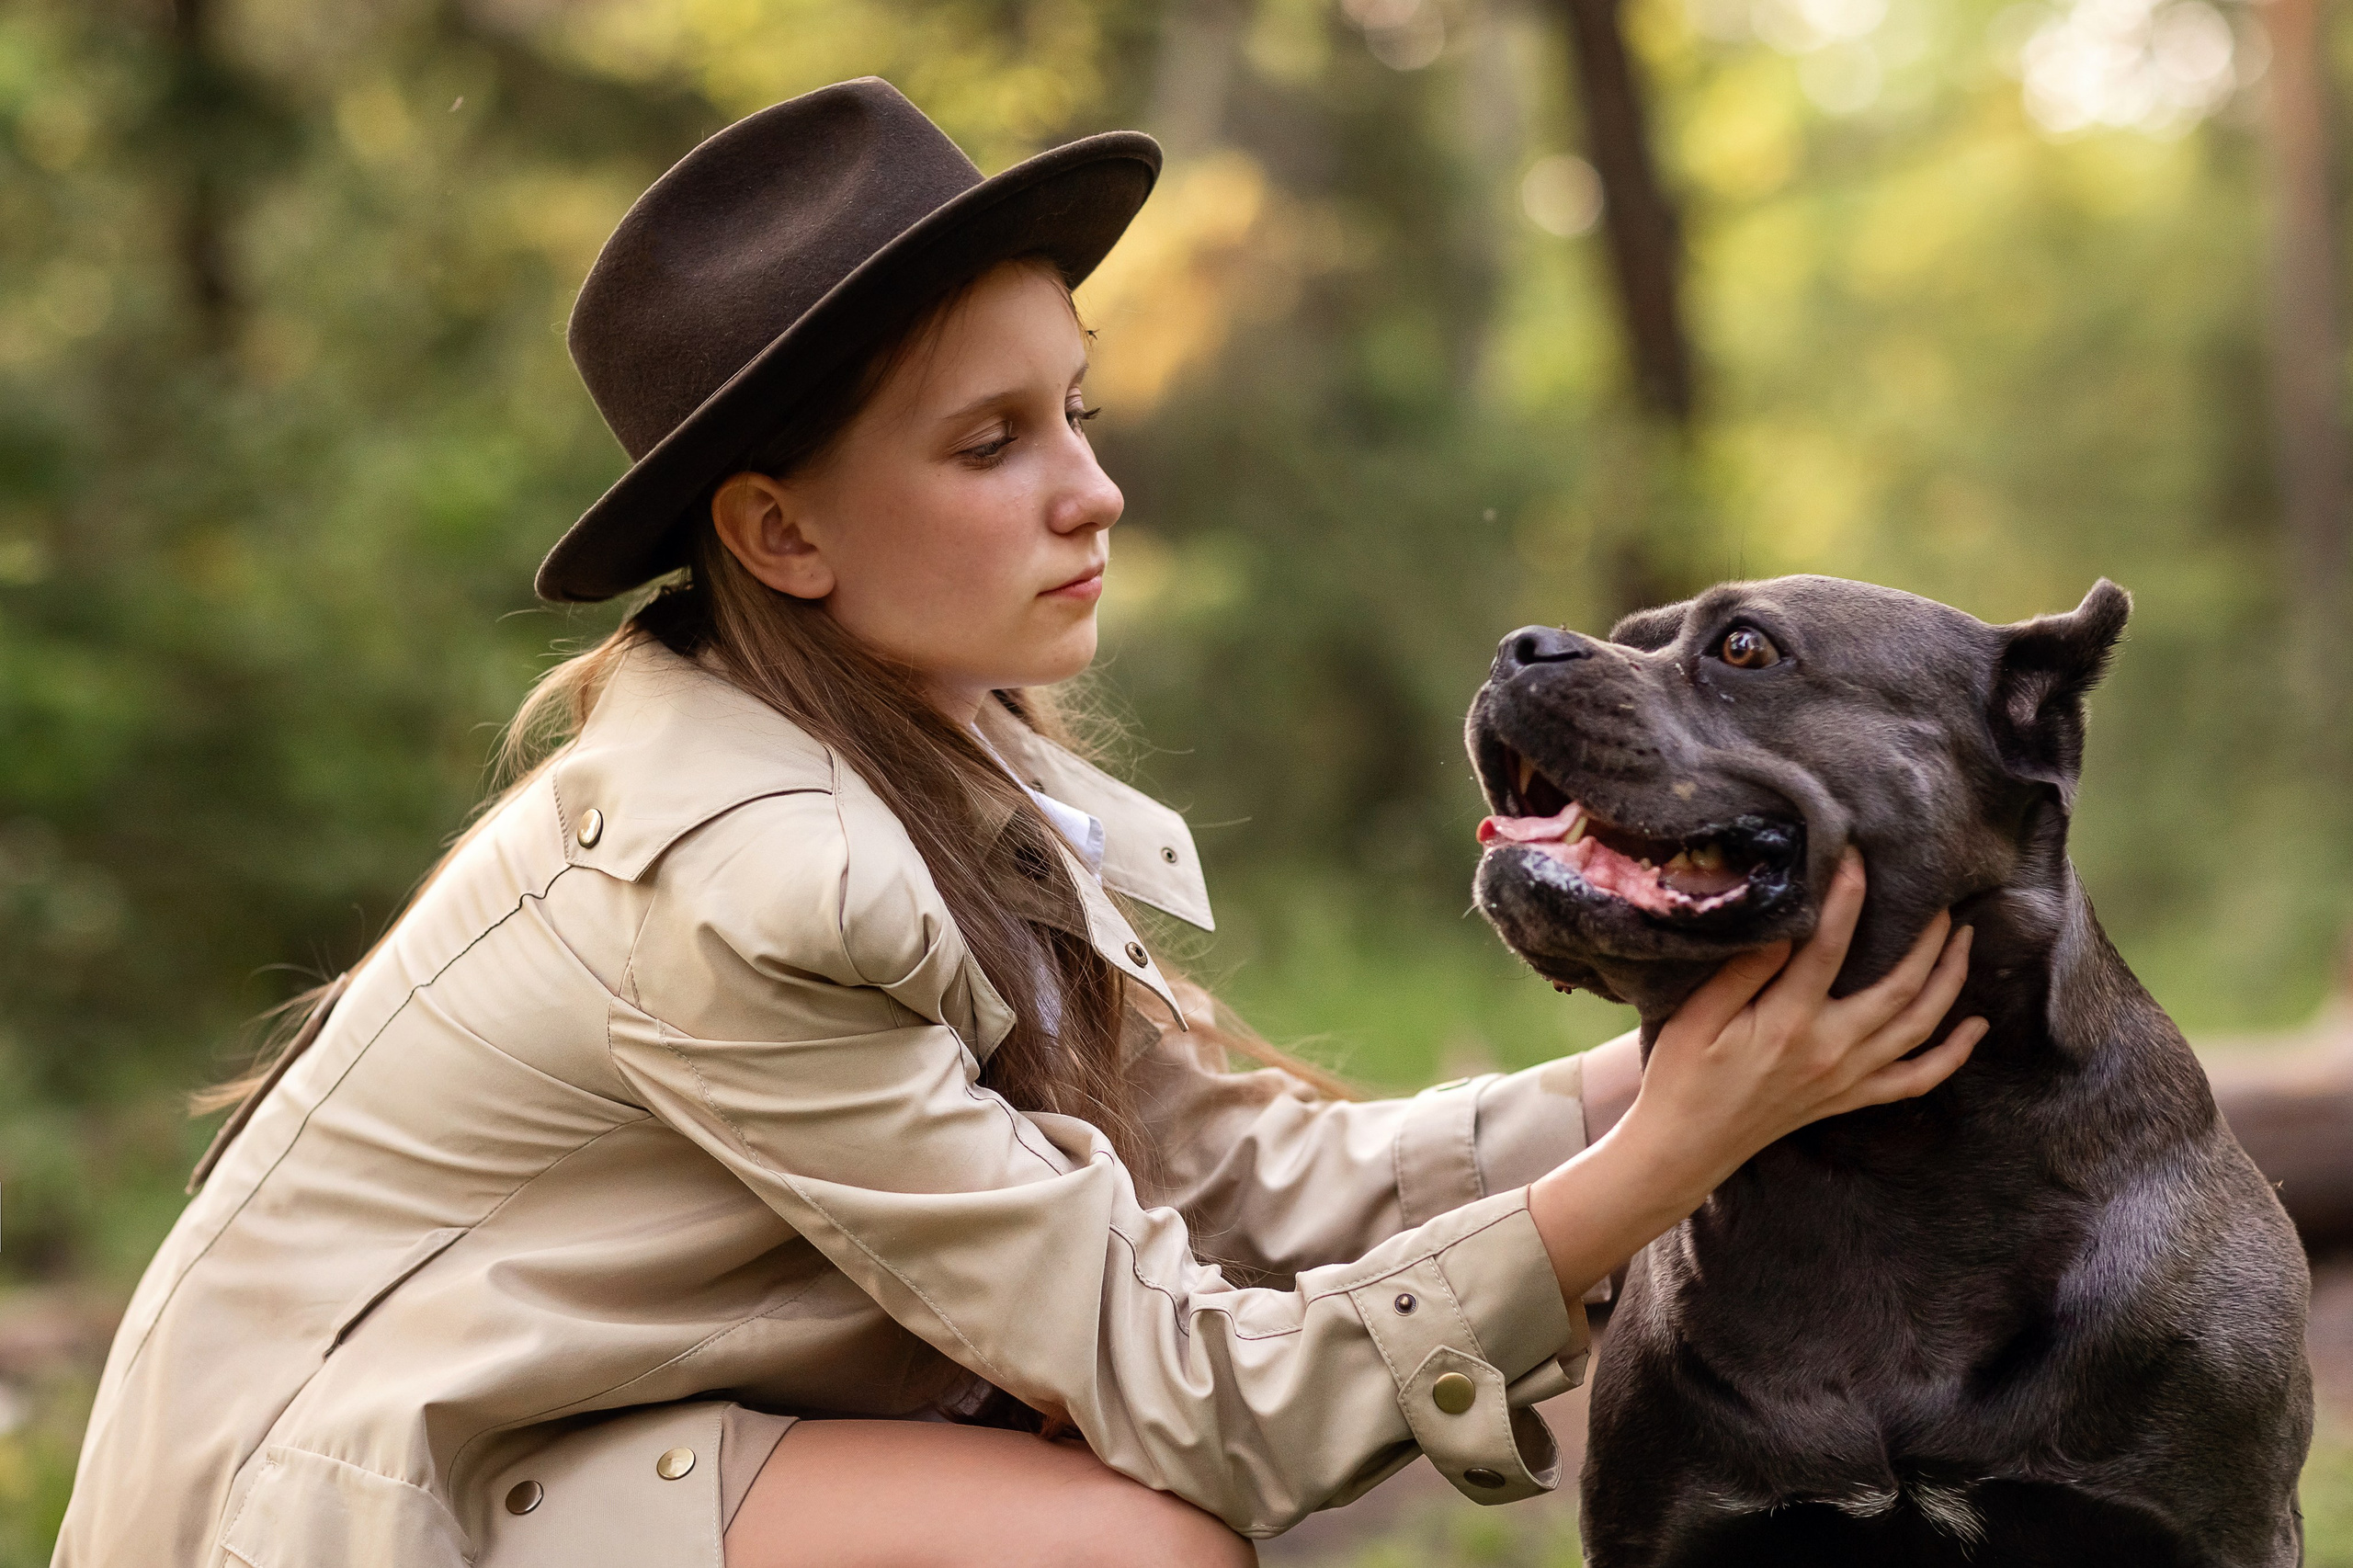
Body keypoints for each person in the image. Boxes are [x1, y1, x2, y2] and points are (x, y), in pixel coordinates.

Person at [51, 79, 1983, 1568]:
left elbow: (1223, 1183)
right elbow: (1188, 1397)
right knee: (1123, 1536)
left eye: (1072, 409)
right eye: (990, 446)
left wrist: (1649, 1082)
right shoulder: (744, 890)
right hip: (334, 1510)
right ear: (775, 531)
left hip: (561, 1439)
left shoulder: (924, 769)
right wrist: (1660, 1169)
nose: (1093, 493)